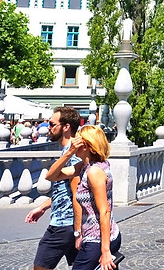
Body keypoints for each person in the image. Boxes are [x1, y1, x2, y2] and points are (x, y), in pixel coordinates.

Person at [47, 125, 121, 270]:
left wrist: (105, 251)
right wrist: (68, 153)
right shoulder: (85, 167)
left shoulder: (94, 172)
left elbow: (104, 212)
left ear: (86, 145)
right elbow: (51, 176)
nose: (73, 142)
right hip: (94, 237)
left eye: (77, 140)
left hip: (98, 240)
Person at [25, 106, 82, 270]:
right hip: (68, 225)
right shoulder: (68, 151)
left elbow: (77, 194)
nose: (47, 128)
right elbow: (63, 190)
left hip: (63, 225)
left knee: (40, 267)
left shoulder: (72, 153)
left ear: (66, 127)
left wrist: (77, 231)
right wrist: (42, 207)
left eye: (51, 124)